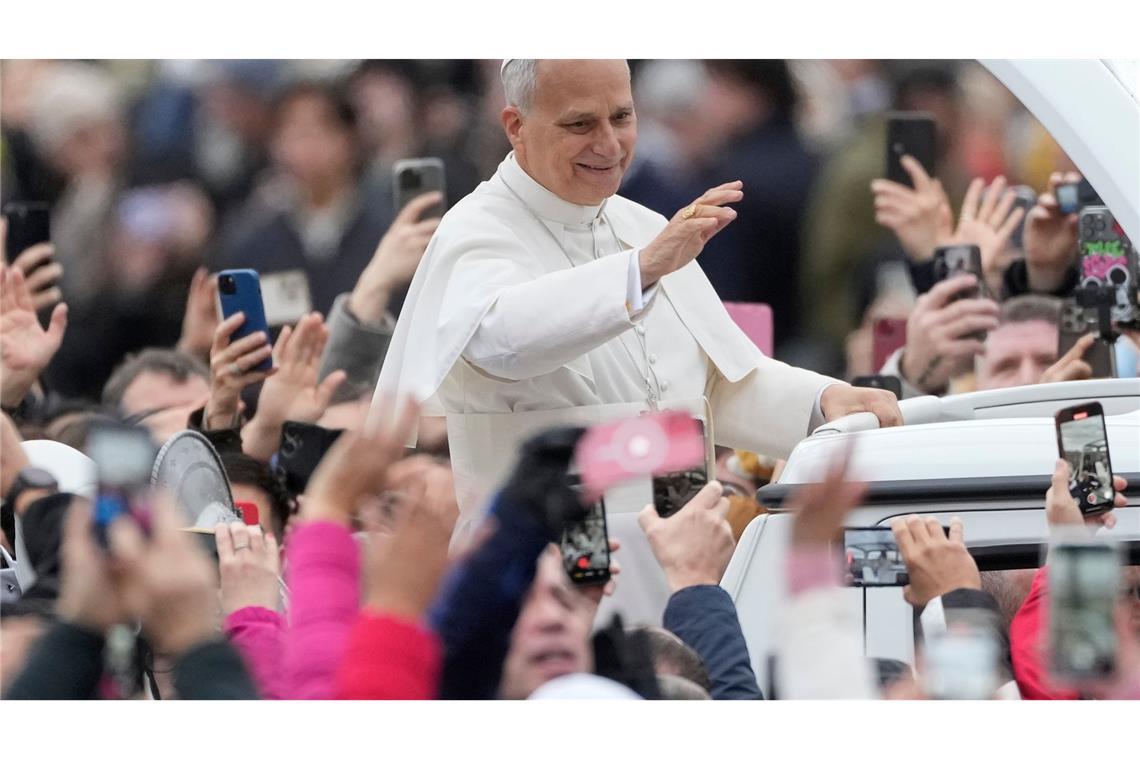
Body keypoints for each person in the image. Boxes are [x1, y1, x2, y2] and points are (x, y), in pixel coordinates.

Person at [374, 59, 901, 541]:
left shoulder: (643, 226)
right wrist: (640, 270)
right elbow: (500, 338)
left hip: (681, 548)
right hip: (546, 564)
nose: (609, 144)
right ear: (516, 126)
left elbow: (714, 383)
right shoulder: (476, 229)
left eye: (622, 117)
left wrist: (821, 400)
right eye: (581, 124)